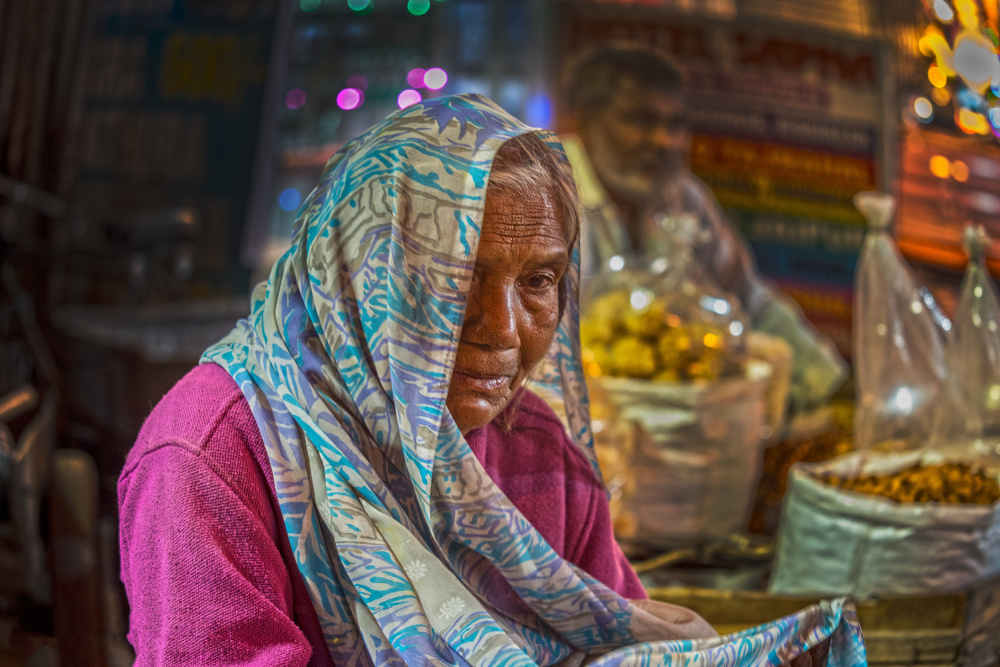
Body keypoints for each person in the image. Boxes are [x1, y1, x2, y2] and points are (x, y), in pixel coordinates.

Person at [118, 94, 862, 665]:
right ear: (362, 273)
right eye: (453, 279)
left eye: (538, 280)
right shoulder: (211, 459)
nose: (503, 331)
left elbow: (606, 641)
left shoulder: (538, 451)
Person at [562, 45, 848, 411]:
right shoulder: (547, 194)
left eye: (677, 125)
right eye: (641, 120)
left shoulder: (684, 197)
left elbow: (752, 302)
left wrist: (832, 385)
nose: (666, 142)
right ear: (581, 123)